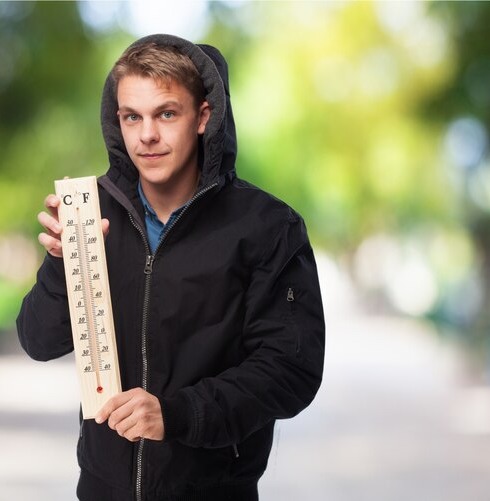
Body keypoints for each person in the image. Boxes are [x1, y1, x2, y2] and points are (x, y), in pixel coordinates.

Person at [17, 33, 325, 501]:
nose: (147, 135)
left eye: (166, 113)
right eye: (131, 117)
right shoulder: (90, 213)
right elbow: (38, 341)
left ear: (203, 117)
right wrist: (62, 268)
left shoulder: (268, 227)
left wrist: (177, 415)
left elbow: (290, 371)